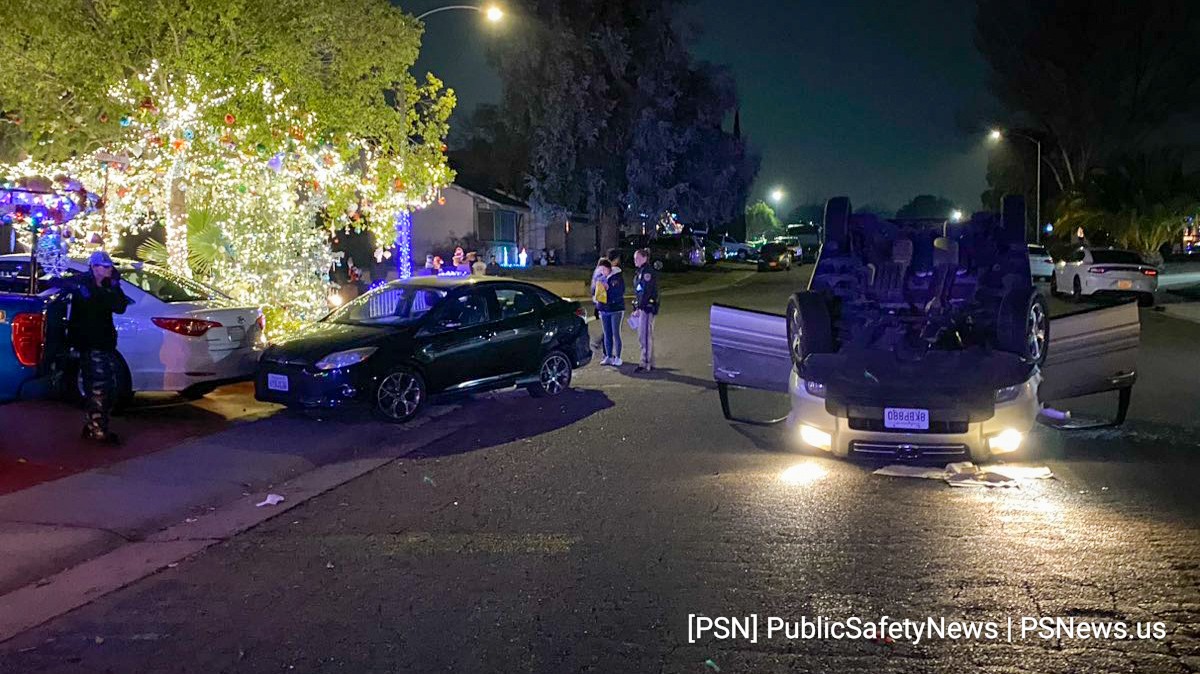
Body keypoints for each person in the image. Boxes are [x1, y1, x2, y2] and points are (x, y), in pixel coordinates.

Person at [67, 251, 131, 443]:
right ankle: (97, 428)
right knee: (98, 385)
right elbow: (96, 304)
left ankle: (93, 424)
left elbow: (119, 306)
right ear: (94, 268)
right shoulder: (84, 286)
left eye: (110, 266)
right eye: (105, 266)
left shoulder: (104, 285)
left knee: (106, 385)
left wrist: (114, 285)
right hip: (91, 342)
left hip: (103, 341)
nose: (109, 270)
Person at [631, 247, 660, 373]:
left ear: (644, 258)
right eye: (634, 258)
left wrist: (639, 307)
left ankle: (645, 363)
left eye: (637, 258)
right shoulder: (641, 271)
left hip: (647, 308)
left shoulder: (647, 272)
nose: (635, 260)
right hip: (643, 307)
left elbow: (646, 292)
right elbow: (638, 291)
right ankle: (649, 361)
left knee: (645, 336)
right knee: (643, 335)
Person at [599, 248, 626, 366]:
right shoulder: (602, 276)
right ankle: (608, 356)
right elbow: (597, 292)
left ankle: (618, 357)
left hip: (616, 309)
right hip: (605, 309)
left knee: (616, 333)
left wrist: (608, 290)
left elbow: (619, 292)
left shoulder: (617, 276)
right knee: (607, 334)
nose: (603, 271)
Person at [590, 258, 611, 352]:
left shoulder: (597, 272)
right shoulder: (601, 275)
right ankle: (605, 350)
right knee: (608, 328)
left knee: (608, 327)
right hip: (604, 304)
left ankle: (601, 345)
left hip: (599, 303)